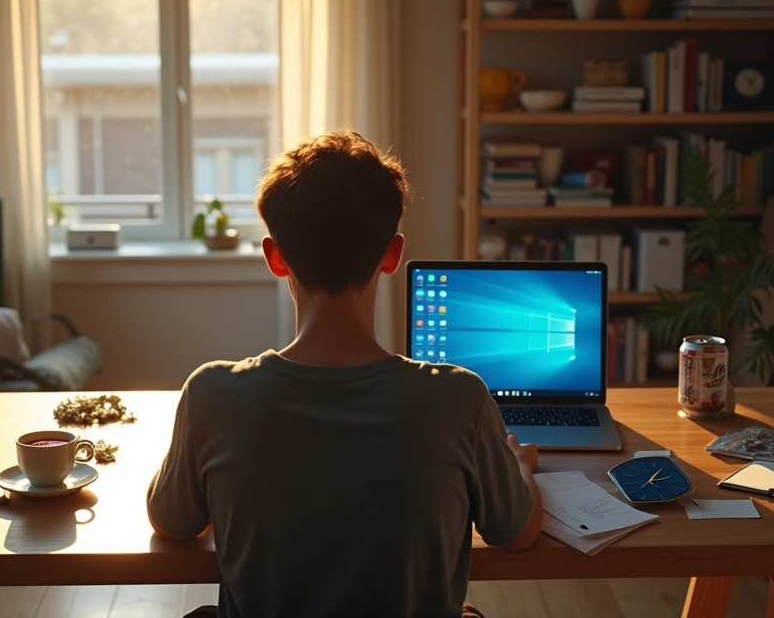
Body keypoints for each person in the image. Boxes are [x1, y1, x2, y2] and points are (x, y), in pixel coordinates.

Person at [146, 130, 542, 618]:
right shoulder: (460, 398)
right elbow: (517, 534)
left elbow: (172, 523)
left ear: (275, 257)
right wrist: (520, 466)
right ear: (392, 254)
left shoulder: (211, 395)